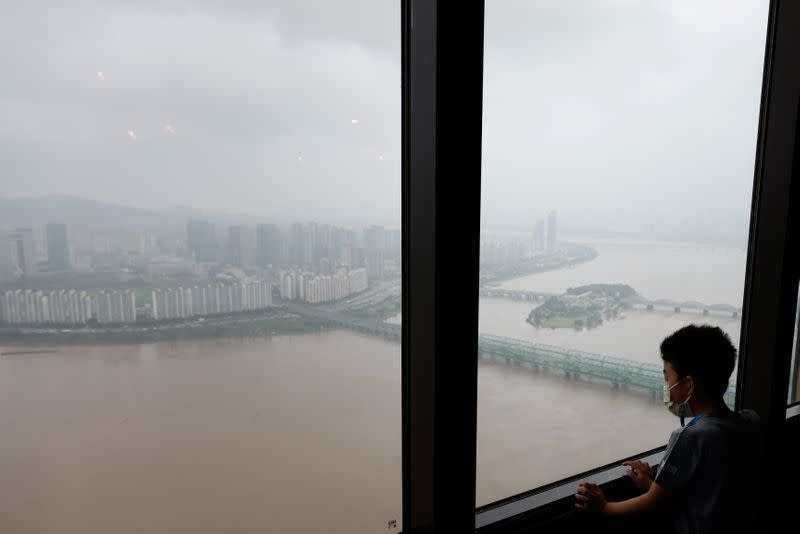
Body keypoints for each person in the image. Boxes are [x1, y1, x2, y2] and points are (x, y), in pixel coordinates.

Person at [574, 324, 763, 533]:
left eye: (667, 378)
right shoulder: (750, 421)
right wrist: (652, 484)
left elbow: (655, 502)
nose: (666, 387)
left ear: (689, 385)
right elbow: (705, 491)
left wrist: (604, 508)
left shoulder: (690, 437)